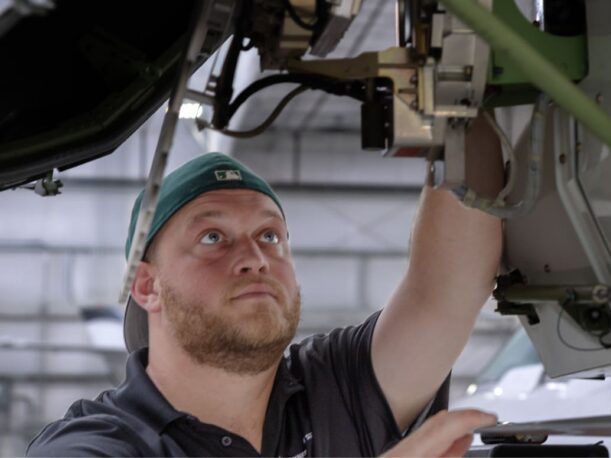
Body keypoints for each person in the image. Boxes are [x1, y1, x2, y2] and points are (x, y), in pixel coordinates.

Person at [26, 119, 505, 456]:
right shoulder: (96, 445)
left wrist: (466, 95)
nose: (255, 259)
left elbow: (445, 290)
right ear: (147, 285)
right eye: (212, 238)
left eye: (270, 236)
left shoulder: (336, 387)